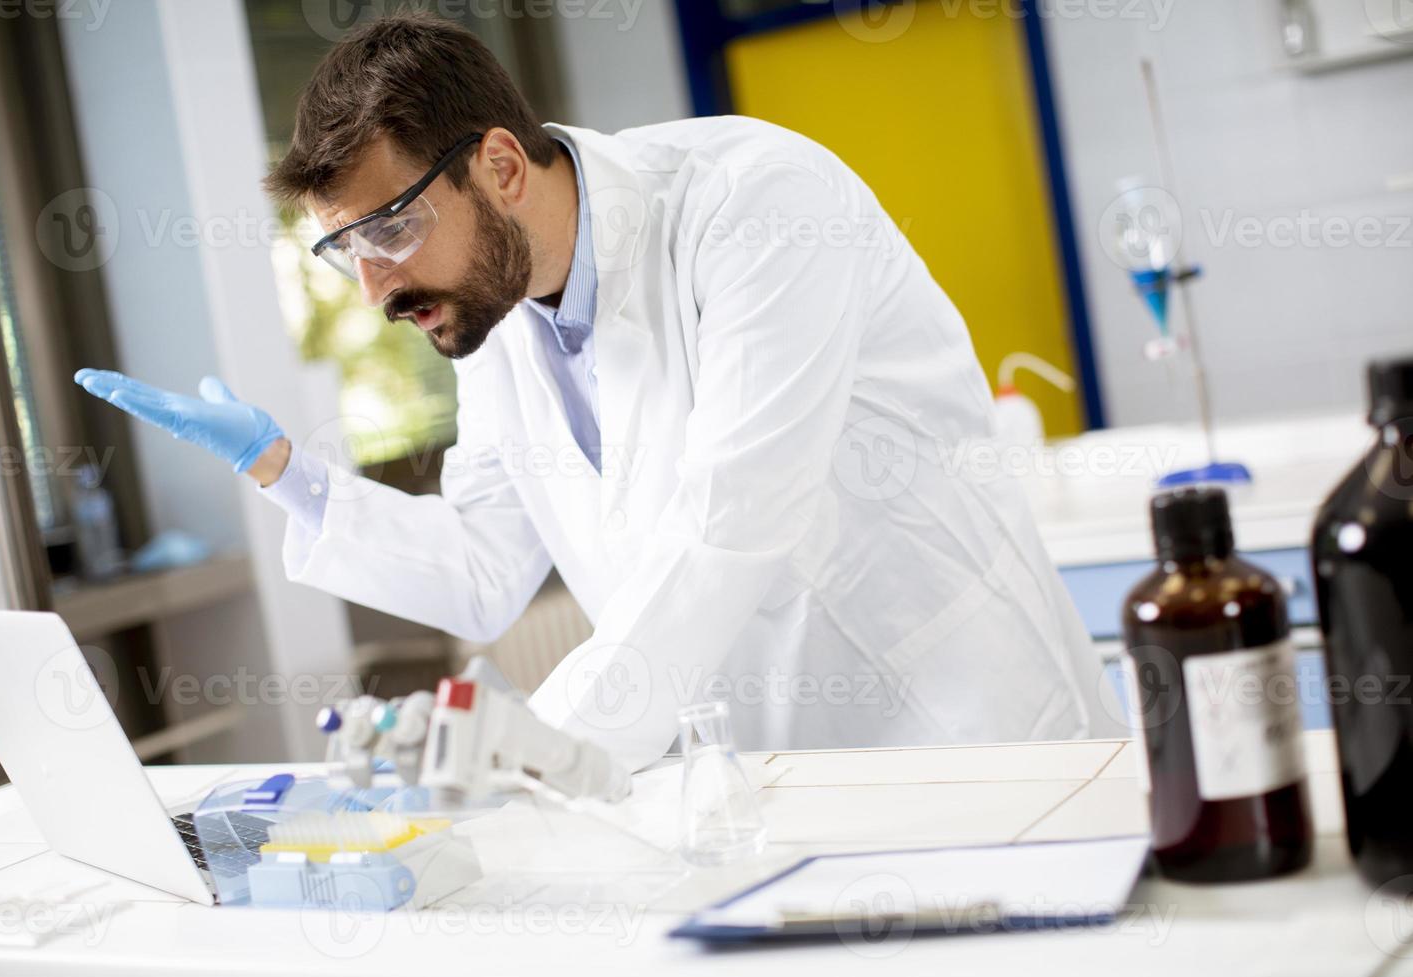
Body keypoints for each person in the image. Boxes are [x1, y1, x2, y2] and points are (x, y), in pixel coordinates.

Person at [78, 14, 1119, 771]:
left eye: (389, 228)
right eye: (344, 249)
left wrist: (538, 749)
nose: (374, 289)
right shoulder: (493, 314)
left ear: (498, 164)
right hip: (764, 775)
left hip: (962, 730)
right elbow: (486, 570)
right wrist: (285, 471)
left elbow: (735, 515)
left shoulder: (757, 203)